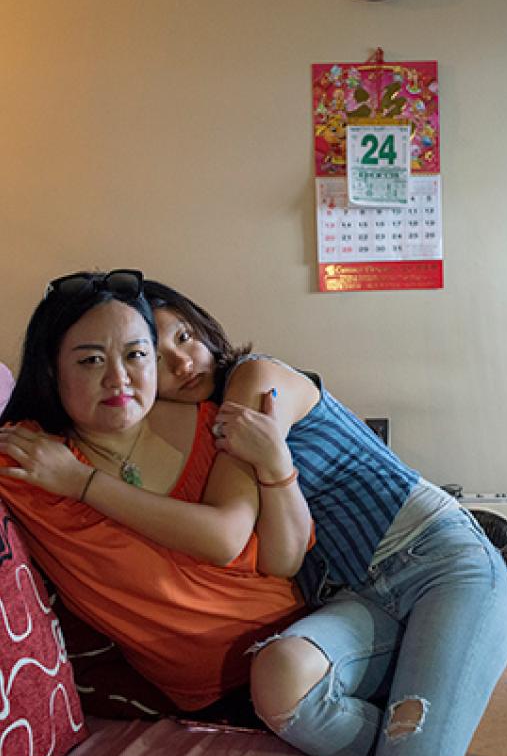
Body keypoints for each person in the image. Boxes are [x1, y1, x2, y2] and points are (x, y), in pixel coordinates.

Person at [142, 279, 507, 756]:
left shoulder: (253, 378)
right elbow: (283, 560)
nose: (183, 363)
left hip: (440, 562)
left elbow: (224, 531)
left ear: (206, 329)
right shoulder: (201, 434)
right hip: (353, 597)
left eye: (185, 338)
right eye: (155, 355)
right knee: (278, 676)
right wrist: (276, 467)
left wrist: (85, 484)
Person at [0, 270, 311, 716]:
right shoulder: (30, 459)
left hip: (306, 647)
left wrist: (83, 484)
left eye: (136, 355)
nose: (118, 379)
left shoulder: (217, 422)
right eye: (91, 361)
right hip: (218, 694)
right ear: (52, 371)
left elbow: (264, 552)